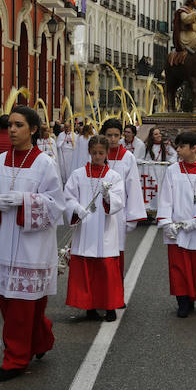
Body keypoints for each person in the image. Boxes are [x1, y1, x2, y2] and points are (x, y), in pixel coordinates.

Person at [0, 106, 64, 382]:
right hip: (3, 243)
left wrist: (26, 202)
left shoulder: (45, 164)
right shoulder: (0, 161)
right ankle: (40, 340)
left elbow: (56, 206)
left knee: (23, 305)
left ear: (33, 129)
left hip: (31, 246)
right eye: (10, 125)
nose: (12, 130)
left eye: (18, 125)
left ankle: (15, 359)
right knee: (11, 300)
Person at [63, 135, 125, 321]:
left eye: (101, 153)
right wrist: (75, 208)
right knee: (85, 268)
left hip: (105, 228)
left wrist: (108, 197)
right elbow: (68, 197)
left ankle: (110, 306)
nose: (98, 156)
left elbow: (119, 200)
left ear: (107, 153)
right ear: (89, 152)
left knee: (106, 269)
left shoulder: (113, 176)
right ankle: (88, 306)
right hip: (85, 228)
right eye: (94, 152)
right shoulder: (78, 174)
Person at [157, 132, 196, 318]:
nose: (178, 149)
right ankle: (181, 300)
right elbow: (165, 198)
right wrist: (167, 223)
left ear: (194, 149)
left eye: (182, 146)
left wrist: (195, 222)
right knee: (178, 267)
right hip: (175, 228)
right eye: (178, 146)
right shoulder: (172, 170)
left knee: (195, 267)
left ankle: (191, 298)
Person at [102, 119, 146, 279]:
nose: (112, 139)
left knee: (115, 252)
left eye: (116, 135)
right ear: (103, 135)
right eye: (109, 135)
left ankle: (116, 294)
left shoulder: (128, 157)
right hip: (98, 212)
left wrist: (132, 217)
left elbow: (133, 186)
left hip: (119, 213)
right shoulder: (97, 154)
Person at [141, 127, 176, 213]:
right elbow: (144, 158)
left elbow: (174, 154)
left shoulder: (166, 145)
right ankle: (152, 209)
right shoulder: (147, 147)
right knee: (152, 190)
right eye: (156, 134)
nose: (159, 135)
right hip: (150, 172)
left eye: (159, 133)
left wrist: (170, 162)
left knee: (162, 190)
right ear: (152, 136)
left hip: (162, 170)